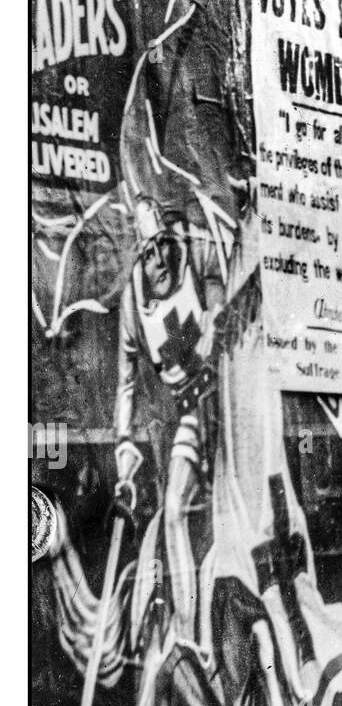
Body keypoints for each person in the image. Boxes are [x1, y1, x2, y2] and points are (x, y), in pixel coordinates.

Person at [113, 194, 223, 643]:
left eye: (161, 245)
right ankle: (189, 634)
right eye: (148, 251)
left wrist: (215, 316)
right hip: (193, 410)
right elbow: (125, 384)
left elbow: (219, 285)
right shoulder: (132, 304)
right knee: (174, 509)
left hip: (230, 397)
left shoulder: (192, 247)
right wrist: (123, 445)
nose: (159, 258)